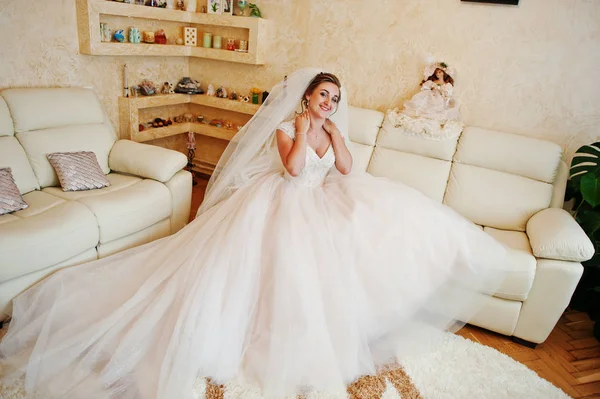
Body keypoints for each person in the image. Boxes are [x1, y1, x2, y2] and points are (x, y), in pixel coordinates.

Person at [0, 68, 511, 399]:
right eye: (324, 96)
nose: (330, 103)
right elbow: (291, 171)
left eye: (335, 98)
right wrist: (307, 132)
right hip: (284, 199)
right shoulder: (286, 127)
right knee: (266, 264)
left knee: (342, 259)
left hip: (320, 199)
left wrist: (333, 134)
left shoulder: (332, 127)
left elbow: (349, 170)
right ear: (308, 96)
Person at [387, 61, 462, 140]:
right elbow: (425, 87)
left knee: (434, 110)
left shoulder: (447, 85)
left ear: (444, 73)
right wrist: (433, 87)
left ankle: (428, 118)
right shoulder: (432, 82)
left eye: (440, 72)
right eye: (436, 73)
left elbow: (447, 95)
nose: (438, 74)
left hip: (439, 100)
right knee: (420, 105)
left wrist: (440, 90)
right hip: (429, 97)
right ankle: (419, 115)